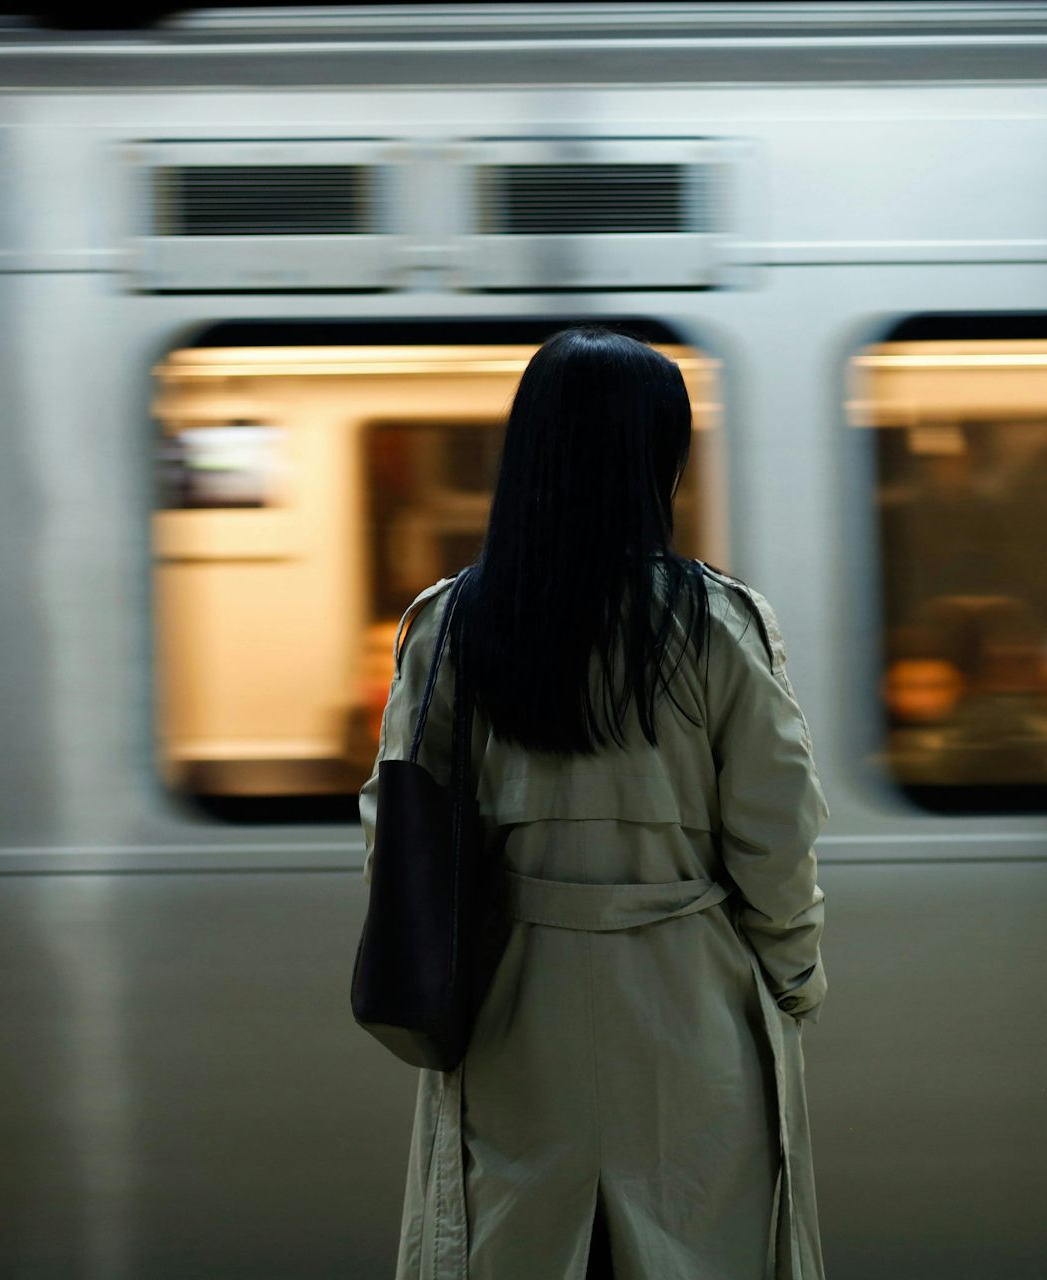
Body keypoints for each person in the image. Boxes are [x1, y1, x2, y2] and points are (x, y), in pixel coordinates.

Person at [359, 326, 830, 1280]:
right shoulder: (718, 625)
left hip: (511, 1012)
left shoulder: (451, 623)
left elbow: (400, 828)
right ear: (660, 459)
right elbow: (776, 836)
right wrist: (792, 976)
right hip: (692, 1006)